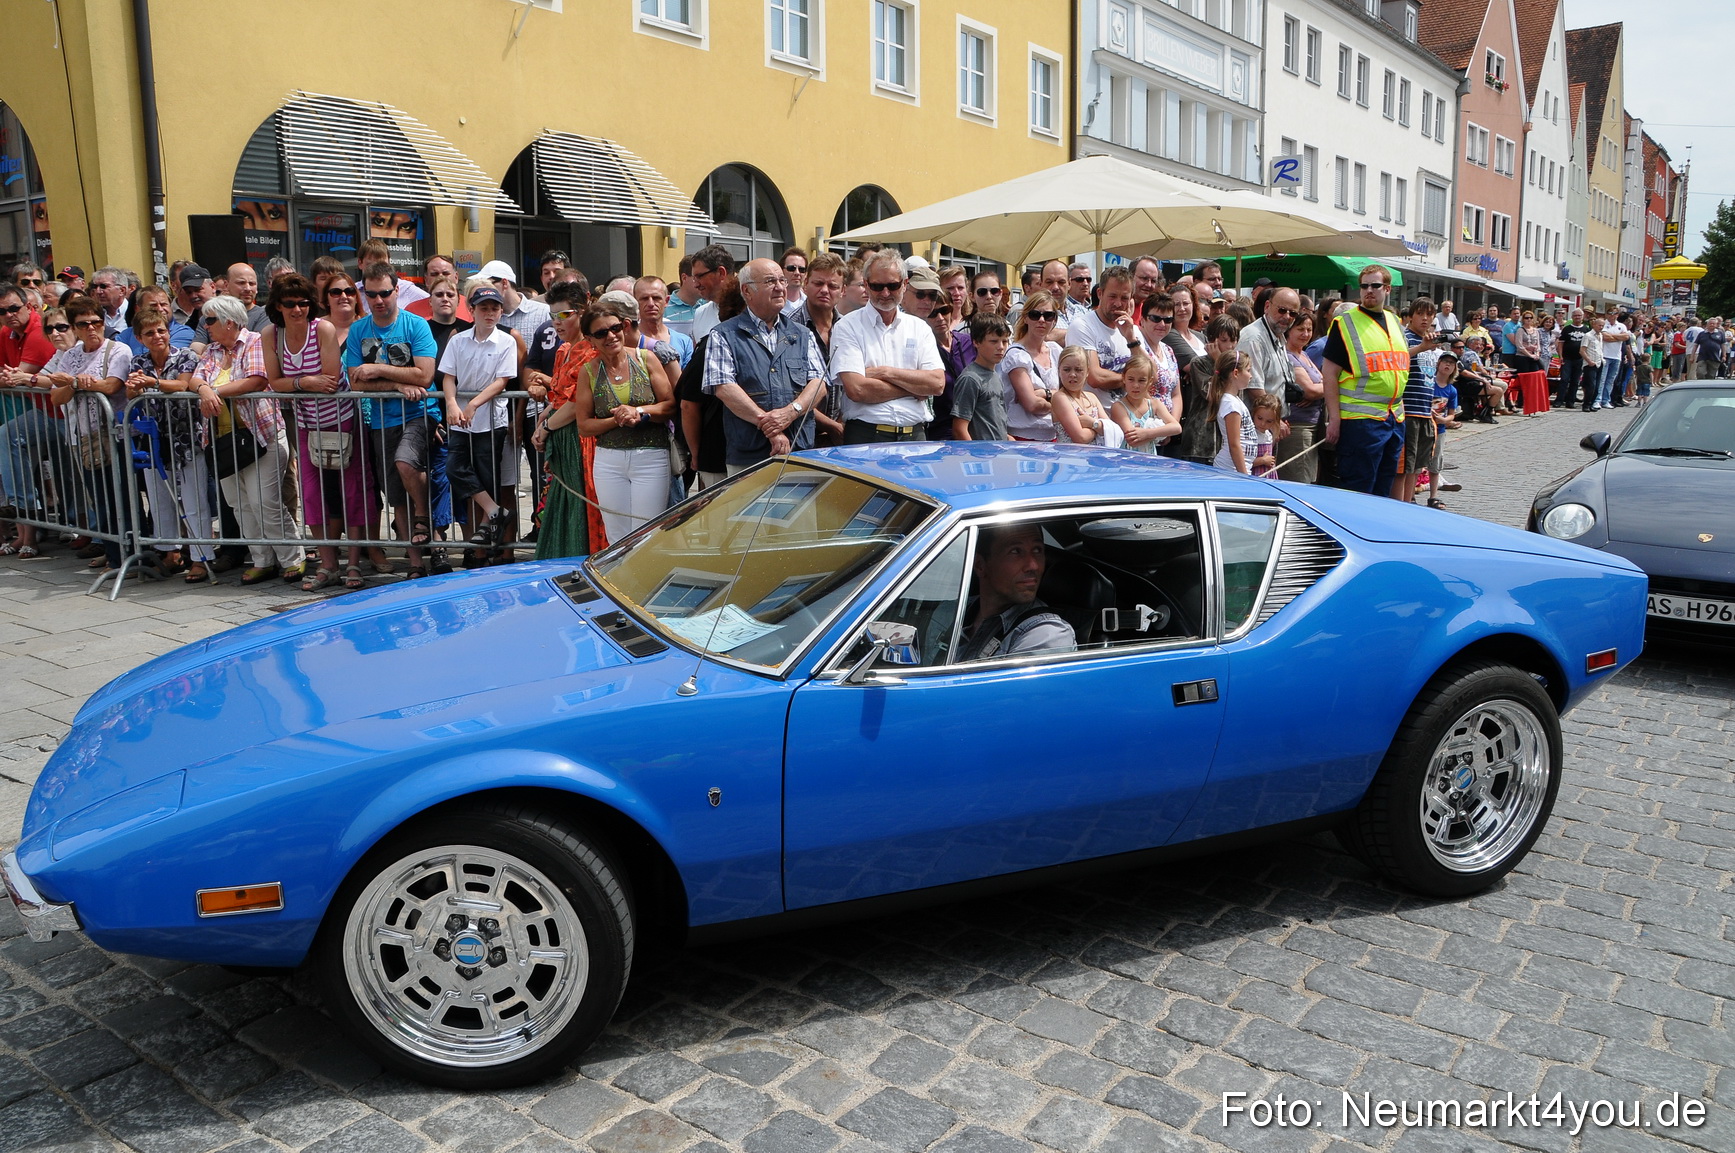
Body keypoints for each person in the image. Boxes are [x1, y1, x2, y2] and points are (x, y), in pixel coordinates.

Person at [263, 273, 368, 592]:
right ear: (278, 306)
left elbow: (332, 379)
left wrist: (295, 384)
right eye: (290, 304)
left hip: (343, 421)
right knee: (312, 497)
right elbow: (274, 382)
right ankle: (327, 565)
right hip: (307, 425)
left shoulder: (321, 328)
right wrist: (305, 383)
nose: (298, 310)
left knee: (352, 493)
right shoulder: (271, 334)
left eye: (304, 303)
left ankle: (352, 564)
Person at [193, 295, 302, 583]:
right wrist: (203, 388)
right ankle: (262, 559)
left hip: (261, 435)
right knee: (239, 504)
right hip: (223, 440)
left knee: (264, 501)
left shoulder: (254, 341)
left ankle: (291, 557)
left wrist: (214, 392)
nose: (206, 325)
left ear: (230, 322)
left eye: (211, 320)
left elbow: (257, 379)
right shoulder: (212, 350)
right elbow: (195, 377)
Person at [344, 262, 439, 577]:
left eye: (385, 293)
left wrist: (379, 369)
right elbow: (356, 382)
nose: (379, 300)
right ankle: (415, 564)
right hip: (381, 420)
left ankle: (425, 515)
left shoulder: (416, 325)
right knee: (397, 496)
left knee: (405, 461)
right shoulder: (359, 330)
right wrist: (399, 383)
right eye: (371, 295)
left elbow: (424, 376)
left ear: (397, 290)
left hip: (419, 414)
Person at [703, 258, 827, 474]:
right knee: (747, 509)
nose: (780, 287)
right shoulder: (723, 334)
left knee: (800, 509)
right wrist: (771, 427)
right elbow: (724, 387)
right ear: (747, 291)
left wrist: (790, 412)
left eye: (782, 280)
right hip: (748, 454)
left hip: (798, 451)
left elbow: (819, 384)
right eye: (770, 281)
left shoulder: (802, 334)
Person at [569, 303, 674, 541]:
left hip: (651, 455)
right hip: (609, 460)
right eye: (601, 333)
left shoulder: (646, 359)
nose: (611, 336)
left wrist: (638, 411)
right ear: (589, 339)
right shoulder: (589, 371)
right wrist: (617, 420)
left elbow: (669, 405)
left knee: (647, 532)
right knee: (616, 534)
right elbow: (584, 425)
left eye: (616, 328)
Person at [124, 308, 211, 580]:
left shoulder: (185, 356)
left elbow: (183, 385)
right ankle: (170, 551)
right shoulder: (139, 361)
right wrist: (135, 386)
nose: (157, 336)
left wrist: (152, 382)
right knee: (160, 498)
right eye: (150, 333)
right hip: (154, 437)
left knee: (195, 500)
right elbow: (130, 391)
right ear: (140, 337)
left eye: (161, 330)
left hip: (185, 436)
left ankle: (201, 556)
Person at [830, 252, 944, 444]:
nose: (885, 293)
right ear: (866, 284)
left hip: (914, 436)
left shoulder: (919, 328)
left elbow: (937, 384)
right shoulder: (847, 327)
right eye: (877, 286)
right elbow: (857, 389)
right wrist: (913, 388)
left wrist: (884, 372)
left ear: (905, 284)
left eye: (892, 286)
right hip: (866, 435)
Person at [439, 285, 518, 556]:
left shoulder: (506, 341)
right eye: (484, 308)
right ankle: (494, 512)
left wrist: (473, 403)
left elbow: (502, 381)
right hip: (460, 417)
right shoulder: (458, 340)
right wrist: (452, 403)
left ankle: (489, 530)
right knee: (454, 466)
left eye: (495, 308)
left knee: (488, 475)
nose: (490, 313)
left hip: (490, 419)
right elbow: (448, 376)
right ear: (471, 311)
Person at [1320, 265, 1407, 496]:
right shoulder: (1345, 322)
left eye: (1375, 285)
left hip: (1393, 419)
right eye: (1364, 286)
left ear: (1387, 289)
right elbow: (1329, 375)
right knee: (1358, 491)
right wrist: (1335, 420)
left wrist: (1400, 410)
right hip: (1360, 422)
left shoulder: (1394, 321)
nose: (1369, 290)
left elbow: (1397, 370)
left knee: (1383, 491)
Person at [534, 281, 603, 557]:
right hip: (560, 440)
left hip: (583, 443)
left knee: (580, 512)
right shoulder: (562, 350)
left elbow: (577, 404)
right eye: (552, 316)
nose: (557, 322)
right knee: (558, 511)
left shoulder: (592, 350)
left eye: (564, 315)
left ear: (581, 311)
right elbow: (559, 396)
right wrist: (545, 418)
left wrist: (546, 427)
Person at [0, 282, 61, 558]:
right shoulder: (7, 332)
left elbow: (14, 376)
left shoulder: (38, 331)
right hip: (43, 411)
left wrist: (10, 378)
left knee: (77, 478)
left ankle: (26, 516)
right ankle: (24, 522)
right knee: (8, 437)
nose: (9, 315)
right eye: (3, 311)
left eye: (14, 308)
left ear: (29, 306)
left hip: (63, 413)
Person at [957, 522, 1075, 662]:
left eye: (1037, 550)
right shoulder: (952, 612)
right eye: (1015, 551)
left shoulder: (1048, 634)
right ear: (980, 565)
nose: (1033, 566)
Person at [1066, 267, 1149, 409]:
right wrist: (1136, 380)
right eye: (1112, 296)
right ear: (1100, 293)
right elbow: (1094, 377)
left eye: (1124, 298)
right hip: (1097, 418)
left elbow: (1152, 374)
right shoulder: (1082, 326)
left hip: (1131, 418)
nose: (1118, 303)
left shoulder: (1132, 330)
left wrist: (1131, 340)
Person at [901, 266, 969, 439]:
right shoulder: (922, 343)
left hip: (971, 430)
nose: (940, 318)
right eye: (933, 314)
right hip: (933, 432)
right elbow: (925, 389)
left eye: (945, 310)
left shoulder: (967, 341)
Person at [790, 252, 846, 445]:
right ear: (805, 284)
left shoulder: (849, 328)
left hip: (845, 431)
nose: (824, 290)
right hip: (801, 434)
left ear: (843, 290)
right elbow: (789, 392)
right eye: (818, 283)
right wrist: (832, 426)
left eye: (832, 286)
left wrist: (842, 422)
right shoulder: (789, 328)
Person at [1169, 315, 1239, 465]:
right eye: (1224, 340)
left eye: (1233, 341)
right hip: (1201, 440)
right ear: (1212, 341)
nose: (1230, 346)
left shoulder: (1238, 365)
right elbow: (1212, 393)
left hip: (1225, 440)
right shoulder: (1199, 363)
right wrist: (1219, 362)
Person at [1394, 299, 1441, 505]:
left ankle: (1410, 501)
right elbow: (1397, 358)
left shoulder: (1429, 341)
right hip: (1408, 411)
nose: (1425, 319)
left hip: (1424, 410)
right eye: (1420, 314)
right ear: (1410, 316)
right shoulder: (1406, 337)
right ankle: (1401, 503)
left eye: (1429, 315)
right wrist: (1421, 347)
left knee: (1417, 465)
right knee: (1404, 465)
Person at [999, 291, 1062, 442]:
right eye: (1035, 315)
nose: (1041, 320)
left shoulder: (1056, 351)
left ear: (1054, 321)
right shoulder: (1016, 354)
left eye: (1048, 316)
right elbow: (1032, 404)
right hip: (1022, 437)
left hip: (1054, 436)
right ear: (1026, 318)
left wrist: (1043, 393)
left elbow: (1073, 394)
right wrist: (1057, 398)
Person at [1239, 286, 1301, 426]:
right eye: (1282, 310)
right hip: (1256, 426)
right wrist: (1275, 421)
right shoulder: (1253, 338)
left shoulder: (1278, 335)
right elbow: (1253, 387)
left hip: (1271, 424)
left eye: (1293, 314)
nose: (1286, 317)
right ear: (1267, 306)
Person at [950, 315, 1012, 442]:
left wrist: (1007, 439)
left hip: (999, 452)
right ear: (976, 342)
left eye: (1005, 341)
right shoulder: (970, 379)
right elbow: (959, 429)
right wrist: (973, 456)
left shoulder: (995, 375)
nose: (1000, 347)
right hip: (981, 457)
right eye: (993, 341)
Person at [1280, 312, 1324, 483]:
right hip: (1298, 428)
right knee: (1300, 479)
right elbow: (1310, 391)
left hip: (1313, 425)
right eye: (1300, 329)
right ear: (1289, 330)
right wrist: (1325, 388)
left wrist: (1319, 389)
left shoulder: (1304, 354)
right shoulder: (1289, 357)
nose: (1305, 334)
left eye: (1309, 329)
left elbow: (1318, 386)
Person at [1110, 350, 1180, 454]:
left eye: (1141, 380)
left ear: (1150, 381)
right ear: (1124, 378)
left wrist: (1147, 433)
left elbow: (1176, 427)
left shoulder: (1154, 404)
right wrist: (1160, 433)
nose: (1136, 385)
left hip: (1149, 461)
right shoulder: (1119, 406)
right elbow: (1132, 440)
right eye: (1131, 379)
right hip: (1127, 461)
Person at [1052, 346, 1112, 445]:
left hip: (1095, 458)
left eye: (1078, 370)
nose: (1072, 374)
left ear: (1087, 372)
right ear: (1059, 370)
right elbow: (1080, 438)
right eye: (1067, 370)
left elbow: (1113, 429)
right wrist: (1098, 427)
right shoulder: (1060, 398)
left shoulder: (1092, 397)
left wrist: (1092, 423)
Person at [1212, 351, 1257, 475]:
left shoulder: (1234, 400)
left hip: (1237, 469)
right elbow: (1234, 444)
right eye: (1248, 370)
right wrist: (1244, 475)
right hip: (1230, 470)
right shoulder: (1230, 403)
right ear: (1236, 373)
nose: (1251, 375)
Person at [688, 244, 736, 342]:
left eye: (699, 276)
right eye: (694, 278)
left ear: (721, 273)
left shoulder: (752, 310)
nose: (695, 285)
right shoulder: (700, 313)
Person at [89, 267, 136, 338]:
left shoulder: (135, 312)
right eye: (95, 286)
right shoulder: (92, 315)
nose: (98, 291)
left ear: (122, 290)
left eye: (103, 286)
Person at [1168, 284, 1207, 366]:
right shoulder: (1169, 335)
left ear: (1193, 305)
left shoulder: (1201, 337)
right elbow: (1197, 366)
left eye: (1186, 303)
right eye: (1176, 304)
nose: (1182, 308)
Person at [1556, 308, 1588, 408]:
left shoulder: (1586, 329)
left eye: (1579, 315)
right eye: (1575, 315)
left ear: (1582, 317)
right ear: (1572, 317)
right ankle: (1559, 400)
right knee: (1564, 380)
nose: (1577, 317)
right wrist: (1560, 356)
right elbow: (1561, 344)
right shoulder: (1567, 329)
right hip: (1567, 358)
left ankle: (1571, 401)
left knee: (1575, 381)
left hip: (1579, 359)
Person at [224, 264, 270, 333]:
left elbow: (256, 342)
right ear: (226, 285)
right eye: (241, 283)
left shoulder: (265, 315)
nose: (248, 289)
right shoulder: (212, 316)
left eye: (252, 284)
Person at [1248, 392, 1281, 478]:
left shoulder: (1269, 435)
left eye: (1269, 421)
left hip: (1268, 475)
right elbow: (1243, 462)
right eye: (1260, 418)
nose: (1263, 424)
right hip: (1254, 476)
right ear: (1253, 414)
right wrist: (1262, 460)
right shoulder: (1249, 436)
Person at [779, 247, 809, 315]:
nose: (797, 273)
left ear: (806, 274)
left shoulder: (810, 305)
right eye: (791, 268)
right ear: (782, 271)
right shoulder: (773, 304)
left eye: (801, 269)